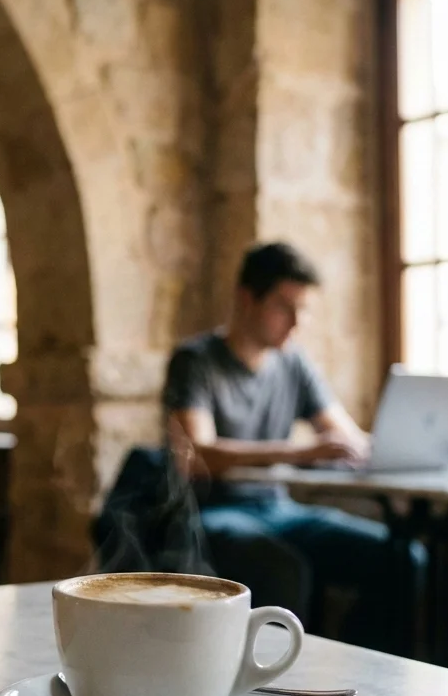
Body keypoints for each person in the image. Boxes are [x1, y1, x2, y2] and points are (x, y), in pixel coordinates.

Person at [163, 242, 420, 651]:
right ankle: (270, 687)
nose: (296, 323)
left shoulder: (294, 362)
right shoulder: (195, 361)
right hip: (213, 510)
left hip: (280, 509)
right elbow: (199, 455)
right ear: (247, 298)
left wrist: (402, 446)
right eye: (285, 308)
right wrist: (299, 452)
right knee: (283, 567)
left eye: (304, 309)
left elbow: (345, 438)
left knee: (403, 559)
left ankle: (363, 677)